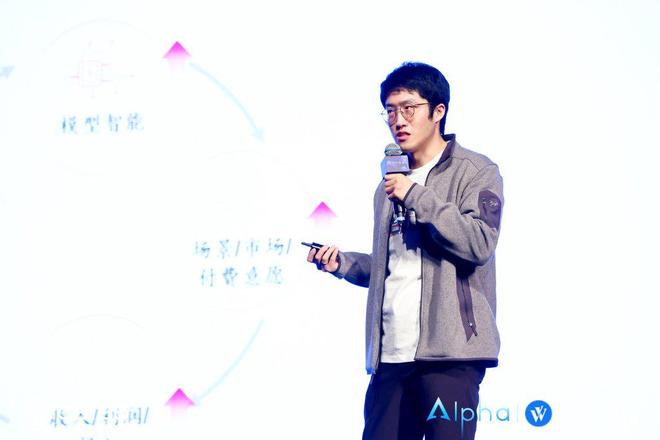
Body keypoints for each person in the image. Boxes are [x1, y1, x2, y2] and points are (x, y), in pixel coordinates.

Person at [307, 62, 503, 440]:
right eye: (390, 111)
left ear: (438, 111)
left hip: (451, 357)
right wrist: (342, 264)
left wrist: (415, 195)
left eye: (409, 108)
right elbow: (392, 267)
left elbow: (479, 243)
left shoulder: (475, 170)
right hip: (391, 357)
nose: (398, 120)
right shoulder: (387, 186)